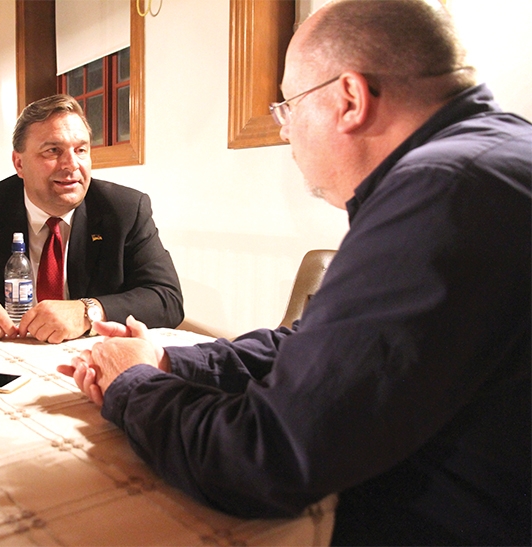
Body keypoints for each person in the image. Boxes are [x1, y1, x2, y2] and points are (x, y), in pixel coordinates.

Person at [57, 1, 531, 545]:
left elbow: (264, 458)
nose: (285, 132)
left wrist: (129, 383)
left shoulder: (442, 192)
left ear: (350, 98)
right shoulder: (487, 161)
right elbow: (321, 348)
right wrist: (168, 359)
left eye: (289, 107)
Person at [0, 95, 184, 343]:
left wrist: (87, 311)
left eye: (81, 150)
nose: (71, 165)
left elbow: (167, 298)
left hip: (89, 357)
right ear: (19, 164)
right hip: (3, 355)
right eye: (53, 151)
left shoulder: (124, 209)